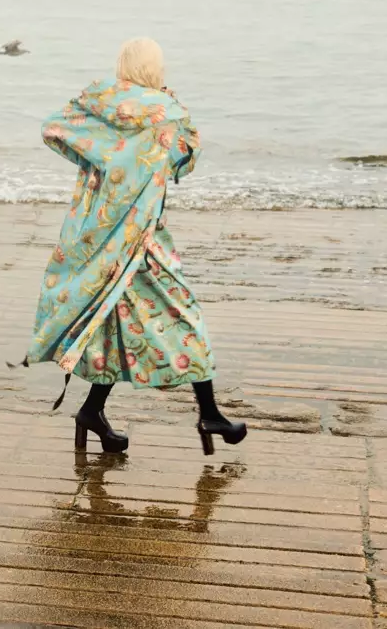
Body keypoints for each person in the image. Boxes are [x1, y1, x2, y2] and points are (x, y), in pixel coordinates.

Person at [22, 37, 246, 456]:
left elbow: (54, 128)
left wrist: (101, 158)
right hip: (143, 237)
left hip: (105, 236)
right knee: (186, 317)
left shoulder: (99, 104)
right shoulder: (165, 114)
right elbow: (186, 157)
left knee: (112, 321)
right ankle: (209, 414)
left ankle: (93, 412)